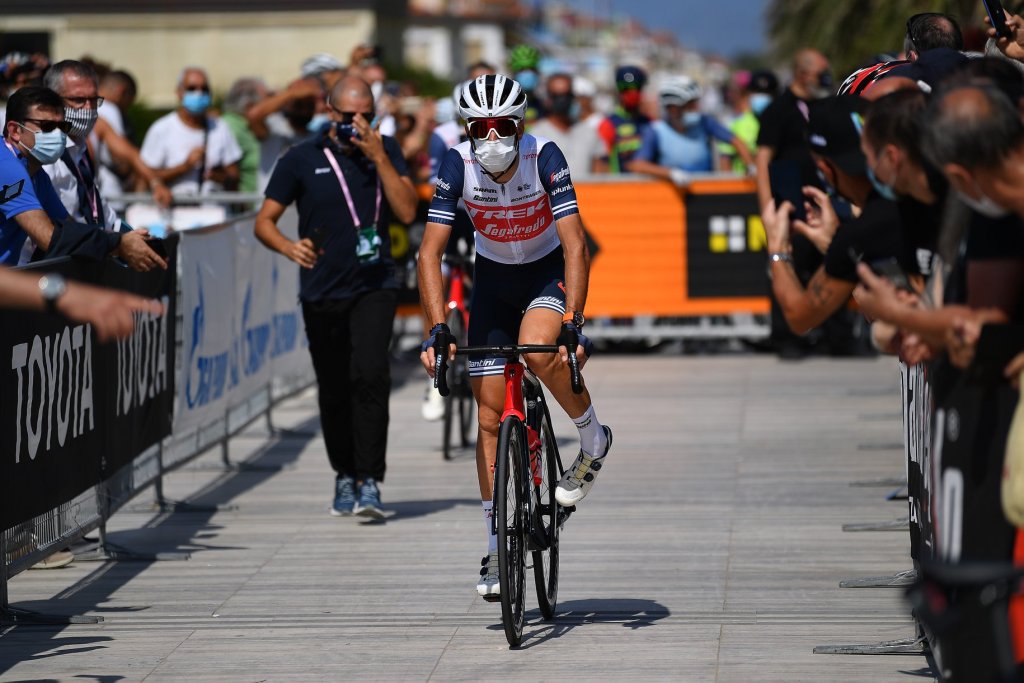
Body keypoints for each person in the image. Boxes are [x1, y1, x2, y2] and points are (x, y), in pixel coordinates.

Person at [418, 75, 613, 598]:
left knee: (536, 347)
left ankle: (592, 436)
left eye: (501, 126)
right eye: (479, 128)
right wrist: (437, 331)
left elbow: (575, 244)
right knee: (487, 418)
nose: (491, 137)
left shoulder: (544, 155)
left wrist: (574, 320)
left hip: (545, 270)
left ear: (519, 124)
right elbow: (428, 254)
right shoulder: (457, 163)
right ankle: (495, 547)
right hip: (495, 281)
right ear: (466, 129)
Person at [254, 76, 417, 519]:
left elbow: (406, 210)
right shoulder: (300, 158)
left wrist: (380, 156)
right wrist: (288, 246)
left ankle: (370, 481)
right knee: (335, 385)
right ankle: (344, 473)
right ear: (331, 114)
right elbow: (264, 221)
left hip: (375, 283)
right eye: (349, 116)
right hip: (322, 288)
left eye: (367, 114)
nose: (358, 123)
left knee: (370, 374)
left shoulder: (384, 150)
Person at [761, 96, 908, 337]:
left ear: (825, 168)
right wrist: (831, 242)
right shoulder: (919, 199)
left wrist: (778, 248)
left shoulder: (863, 231)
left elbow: (799, 316)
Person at [1, 86, 156, 268]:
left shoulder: (36, 173)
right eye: (48, 126)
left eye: (62, 127)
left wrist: (121, 238)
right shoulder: (7, 167)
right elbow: (48, 238)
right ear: (15, 131)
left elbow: (67, 227)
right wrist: (118, 244)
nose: (58, 135)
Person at [40, 60, 167, 271]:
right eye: (78, 100)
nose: (88, 109)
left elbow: (104, 217)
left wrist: (138, 239)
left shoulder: (79, 148)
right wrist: (117, 244)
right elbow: (53, 231)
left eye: (94, 100)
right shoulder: (44, 154)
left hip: (86, 261)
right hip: (50, 271)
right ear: (52, 100)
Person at [756, 48, 835, 359]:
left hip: (822, 198)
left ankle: (833, 336)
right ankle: (787, 337)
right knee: (787, 264)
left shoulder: (824, 105)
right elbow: (763, 159)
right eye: (821, 73)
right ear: (803, 74)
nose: (826, 79)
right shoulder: (779, 109)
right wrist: (767, 208)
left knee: (828, 264)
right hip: (789, 199)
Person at [628, 75, 754, 185]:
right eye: (690, 104)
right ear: (673, 108)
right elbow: (637, 165)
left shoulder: (705, 122)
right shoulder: (655, 131)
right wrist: (670, 173)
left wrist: (751, 166)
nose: (696, 108)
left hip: (705, 194)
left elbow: (736, 141)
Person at [140, 67, 242, 196]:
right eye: (192, 89)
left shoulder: (221, 127)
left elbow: (234, 177)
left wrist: (217, 176)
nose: (199, 94)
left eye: (204, 89)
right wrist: (184, 167)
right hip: (173, 213)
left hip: (215, 212)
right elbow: (146, 177)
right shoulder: (161, 129)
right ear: (179, 92)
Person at [245, 76, 323, 191]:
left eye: (308, 103)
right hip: (271, 206)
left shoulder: (318, 136)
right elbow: (253, 116)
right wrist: (291, 93)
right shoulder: (274, 127)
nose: (304, 108)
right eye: (299, 103)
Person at [530, 72, 603, 176]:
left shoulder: (589, 131)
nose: (562, 100)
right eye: (556, 96)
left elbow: (599, 170)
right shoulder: (536, 135)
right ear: (548, 98)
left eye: (566, 95)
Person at [720, 69, 778, 174]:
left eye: (767, 93)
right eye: (757, 92)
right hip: (744, 186)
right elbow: (725, 160)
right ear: (748, 94)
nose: (762, 97)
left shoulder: (782, 123)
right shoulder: (737, 124)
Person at [598, 65, 651, 174]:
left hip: (648, 187)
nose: (631, 93)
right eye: (625, 88)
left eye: (636, 88)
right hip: (620, 187)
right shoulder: (608, 124)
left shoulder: (650, 122)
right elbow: (602, 165)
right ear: (618, 90)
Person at [222, 77, 267, 194]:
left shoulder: (250, 125)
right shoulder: (230, 126)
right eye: (266, 102)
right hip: (244, 206)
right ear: (249, 106)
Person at [507, 45, 545, 126]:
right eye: (522, 69)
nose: (528, 74)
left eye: (531, 69)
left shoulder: (544, 105)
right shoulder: (506, 104)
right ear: (514, 73)